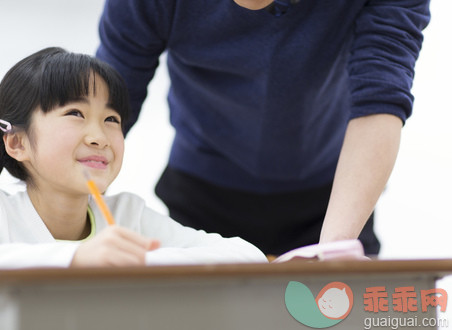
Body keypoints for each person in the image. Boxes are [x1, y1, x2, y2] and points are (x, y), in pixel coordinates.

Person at [96, 0, 431, 256]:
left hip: (334, 197)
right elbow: (108, 101)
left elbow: (380, 97)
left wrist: (333, 252)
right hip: (201, 195)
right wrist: (78, 223)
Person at [0, 47, 267, 276]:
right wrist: (77, 258)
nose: (99, 137)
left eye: (112, 119)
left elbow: (247, 257)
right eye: (75, 113)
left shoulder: (128, 215)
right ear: (17, 142)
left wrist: (137, 260)